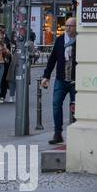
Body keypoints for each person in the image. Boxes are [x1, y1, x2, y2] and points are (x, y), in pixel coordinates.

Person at [41, 17, 78, 146]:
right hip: (61, 79)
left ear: (76, 27)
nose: (68, 28)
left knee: (76, 108)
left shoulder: (80, 40)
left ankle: (76, 133)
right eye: (67, 25)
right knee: (56, 105)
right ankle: (58, 133)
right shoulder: (60, 40)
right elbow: (52, 60)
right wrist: (46, 76)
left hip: (75, 81)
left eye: (71, 26)